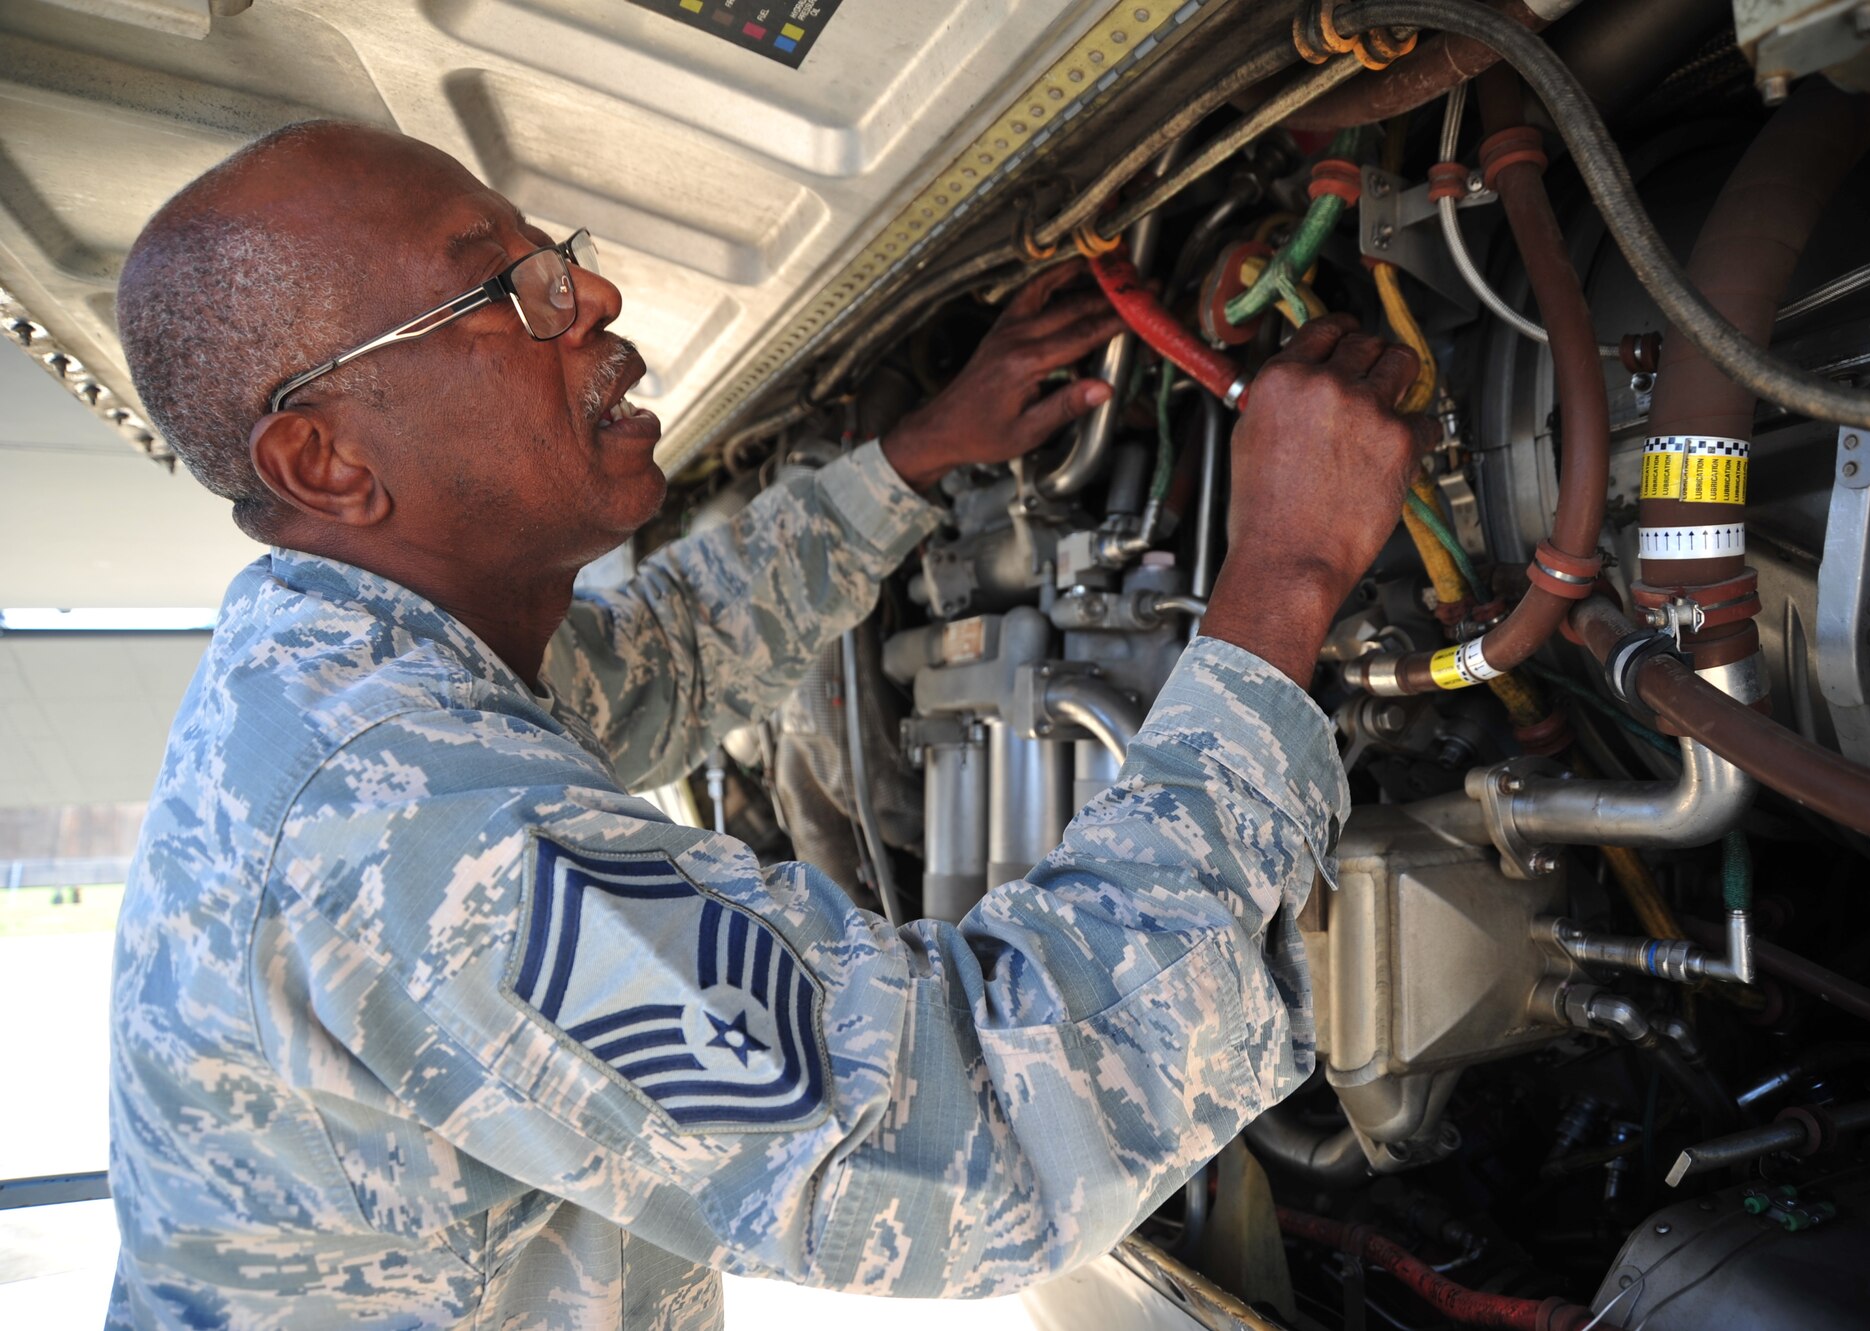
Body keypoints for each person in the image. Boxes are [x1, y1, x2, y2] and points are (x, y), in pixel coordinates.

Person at [106, 120, 1426, 1330]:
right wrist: (1287, 575)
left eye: (559, 259)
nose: (600, 303)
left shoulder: (371, 662)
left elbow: (670, 660)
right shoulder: (397, 815)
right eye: (507, 291)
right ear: (324, 461)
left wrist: (912, 457)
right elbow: (973, 1145)